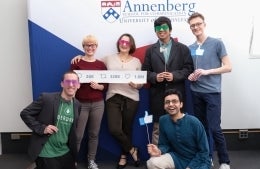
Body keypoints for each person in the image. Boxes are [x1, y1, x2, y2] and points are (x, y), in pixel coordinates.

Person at [71, 33, 142, 169]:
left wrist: (136, 85)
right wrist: (80, 57)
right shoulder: (108, 59)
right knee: (114, 129)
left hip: (132, 97)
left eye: (127, 42)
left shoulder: (137, 62)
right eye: (122, 41)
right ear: (118, 43)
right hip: (113, 96)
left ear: (131, 45)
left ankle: (123, 156)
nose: (124, 44)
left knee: (126, 129)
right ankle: (133, 150)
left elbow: (140, 83)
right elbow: (91, 62)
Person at [187, 12, 232, 169]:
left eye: (198, 24)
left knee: (215, 128)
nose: (196, 27)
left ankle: (225, 161)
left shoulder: (217, 43)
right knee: (202, 128)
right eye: (192, 25)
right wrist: (191, 75)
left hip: (212, 92)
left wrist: (207, 71)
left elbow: (228, 67)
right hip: (196, 92)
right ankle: (207, 157)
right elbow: (190, 69)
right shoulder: (190, 48)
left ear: (204, 24)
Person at [142, 16, 194, 145]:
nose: (161, 31)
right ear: (155, 31)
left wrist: (174, 76)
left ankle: (178, 157)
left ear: (170, 30)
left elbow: (189, 69)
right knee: (157, 128)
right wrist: (155, 77)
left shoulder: (183, 48)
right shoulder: (150, 51)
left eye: (164, 28)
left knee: (178, 127)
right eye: (158, 29)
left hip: (177, 94)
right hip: (157, 96)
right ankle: (157, 158)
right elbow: (145, 72)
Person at [20, 70, 81, 169]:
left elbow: (71, 132)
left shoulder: (77, 105)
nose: (71, 85)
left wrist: (73, 157)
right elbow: (25, 113)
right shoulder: (47, 98)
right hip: (47, 152)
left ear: (78, 85)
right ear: (62, 84)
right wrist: (41, 128)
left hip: (65, 151)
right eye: (67, 81)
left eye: (74, 82)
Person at [146, 89, 211, 169]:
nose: (170, 104)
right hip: (177, 157)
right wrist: (159, 151)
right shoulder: (163, 120)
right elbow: (164, 144)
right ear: (164, 106)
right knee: (152, 162)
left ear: (181, 104)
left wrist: (191, 167)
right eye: (167, 102)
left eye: (174, 101)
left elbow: (204, 151)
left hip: (198, 160)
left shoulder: (194, 122)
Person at [70, 35, 108, 169]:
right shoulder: (76, 63)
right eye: (87, 45)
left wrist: (99, 87)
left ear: (96, 47)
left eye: (93, 45)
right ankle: (72, 161)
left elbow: (106, 86)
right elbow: (71, 82)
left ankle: (91, 161)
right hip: (81, 104)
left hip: (98, 104)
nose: (90, 47)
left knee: (94, 134)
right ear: (83, 47)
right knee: (78, 135)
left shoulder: (101, 65)